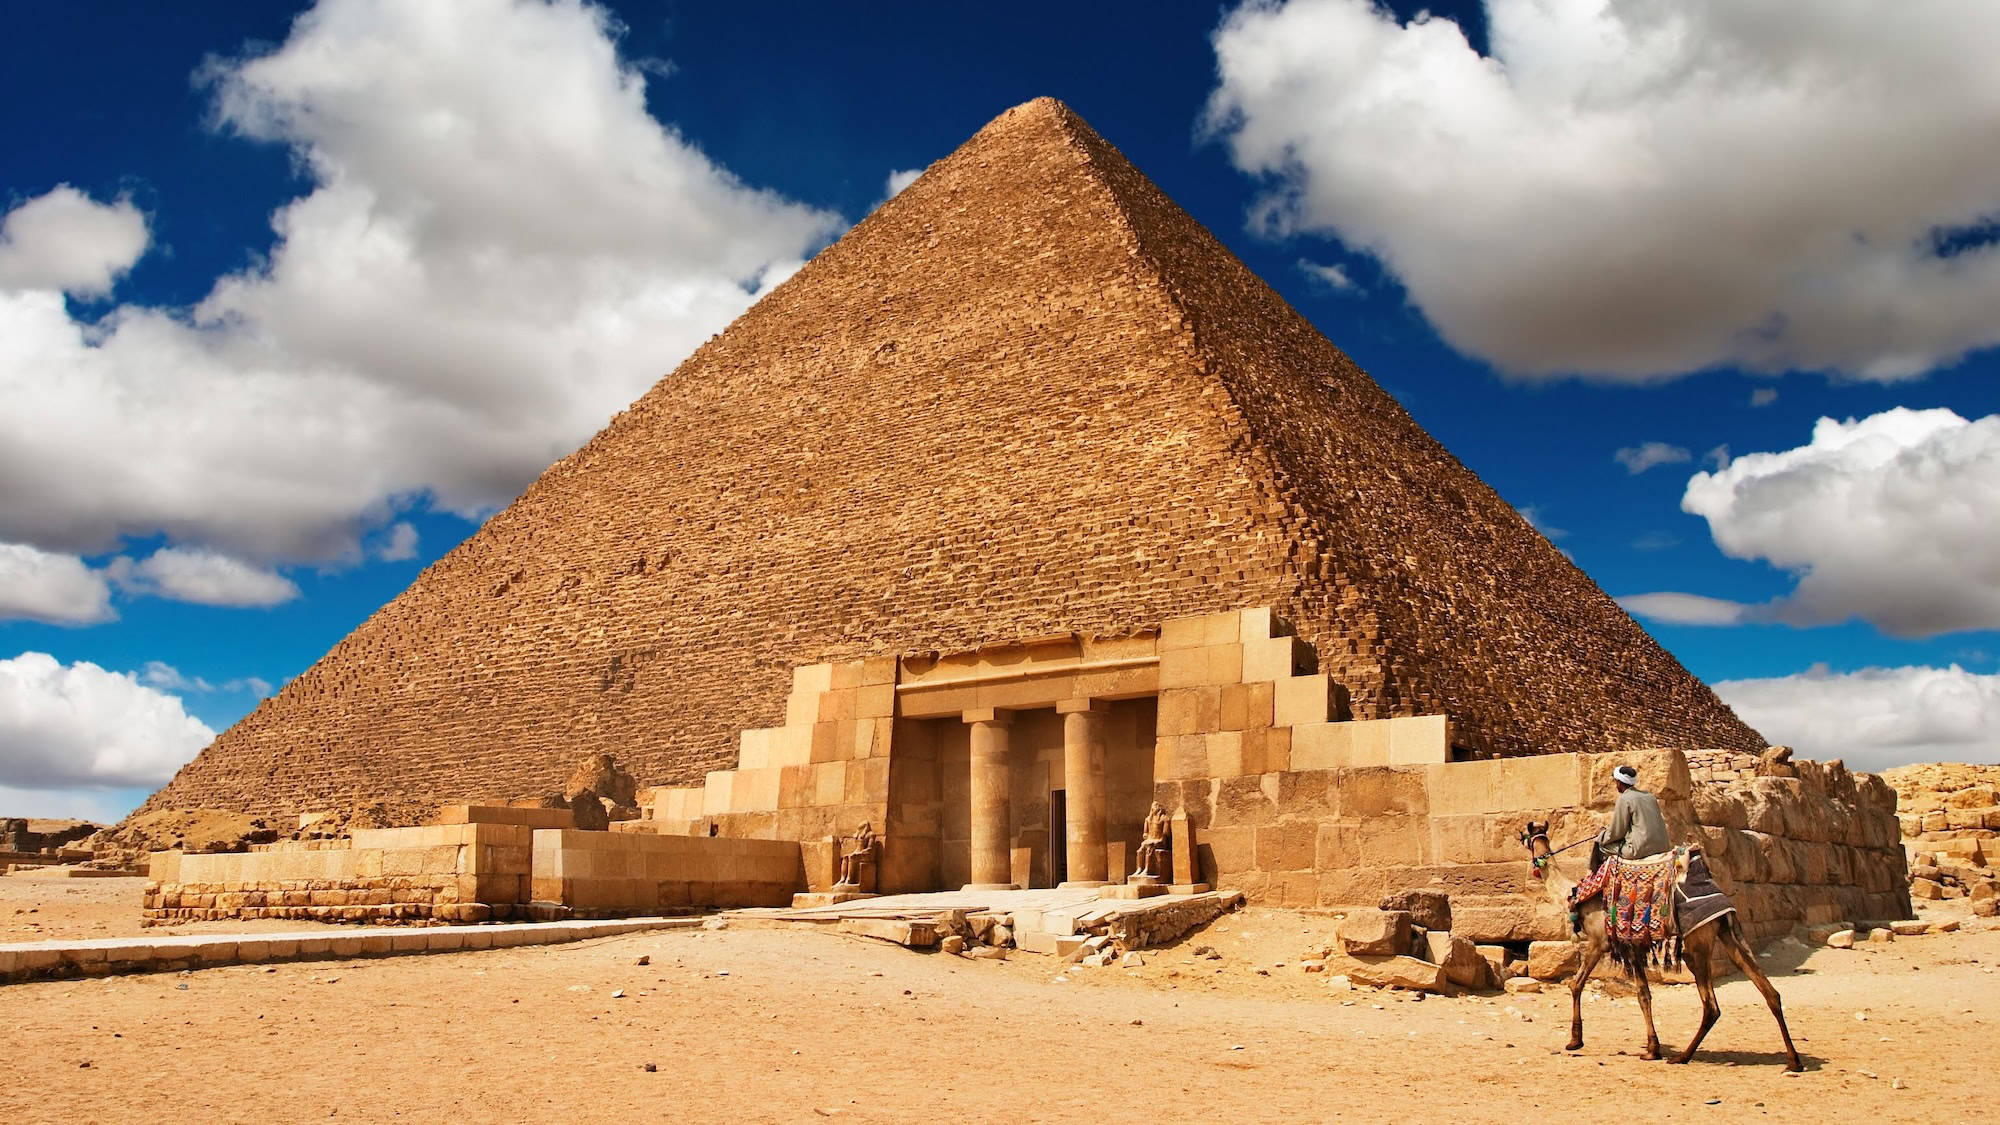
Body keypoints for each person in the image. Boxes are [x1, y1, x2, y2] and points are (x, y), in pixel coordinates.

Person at [1598, 764, 1669, 862]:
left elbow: (1617, 832)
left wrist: (1601, 835)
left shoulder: (1624, 799)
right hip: (1663, 846)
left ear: (1619, 782)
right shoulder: (1650, 796)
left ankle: (1593, 874)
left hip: (1639, 850)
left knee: (1601, 846)